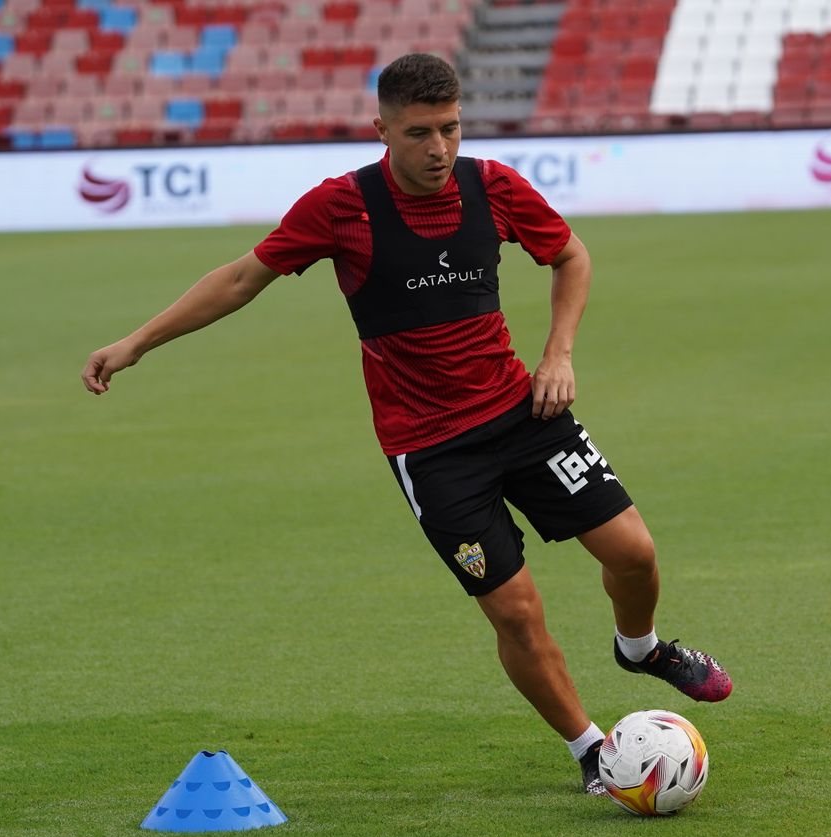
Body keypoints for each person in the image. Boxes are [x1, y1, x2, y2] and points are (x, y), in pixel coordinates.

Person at [81, 53, 730, 796]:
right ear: (382, 129)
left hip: (526, 413)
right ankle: (590, 750)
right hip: (433, 453)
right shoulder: (340, 207)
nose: (438, 149)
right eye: (419, 133)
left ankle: (641, 649)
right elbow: (240, 279)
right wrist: (135, 343)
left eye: (450, 129)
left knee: (635, 553)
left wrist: (559, 354)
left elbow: (570, 255)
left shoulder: (493, 186)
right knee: (517, 611)